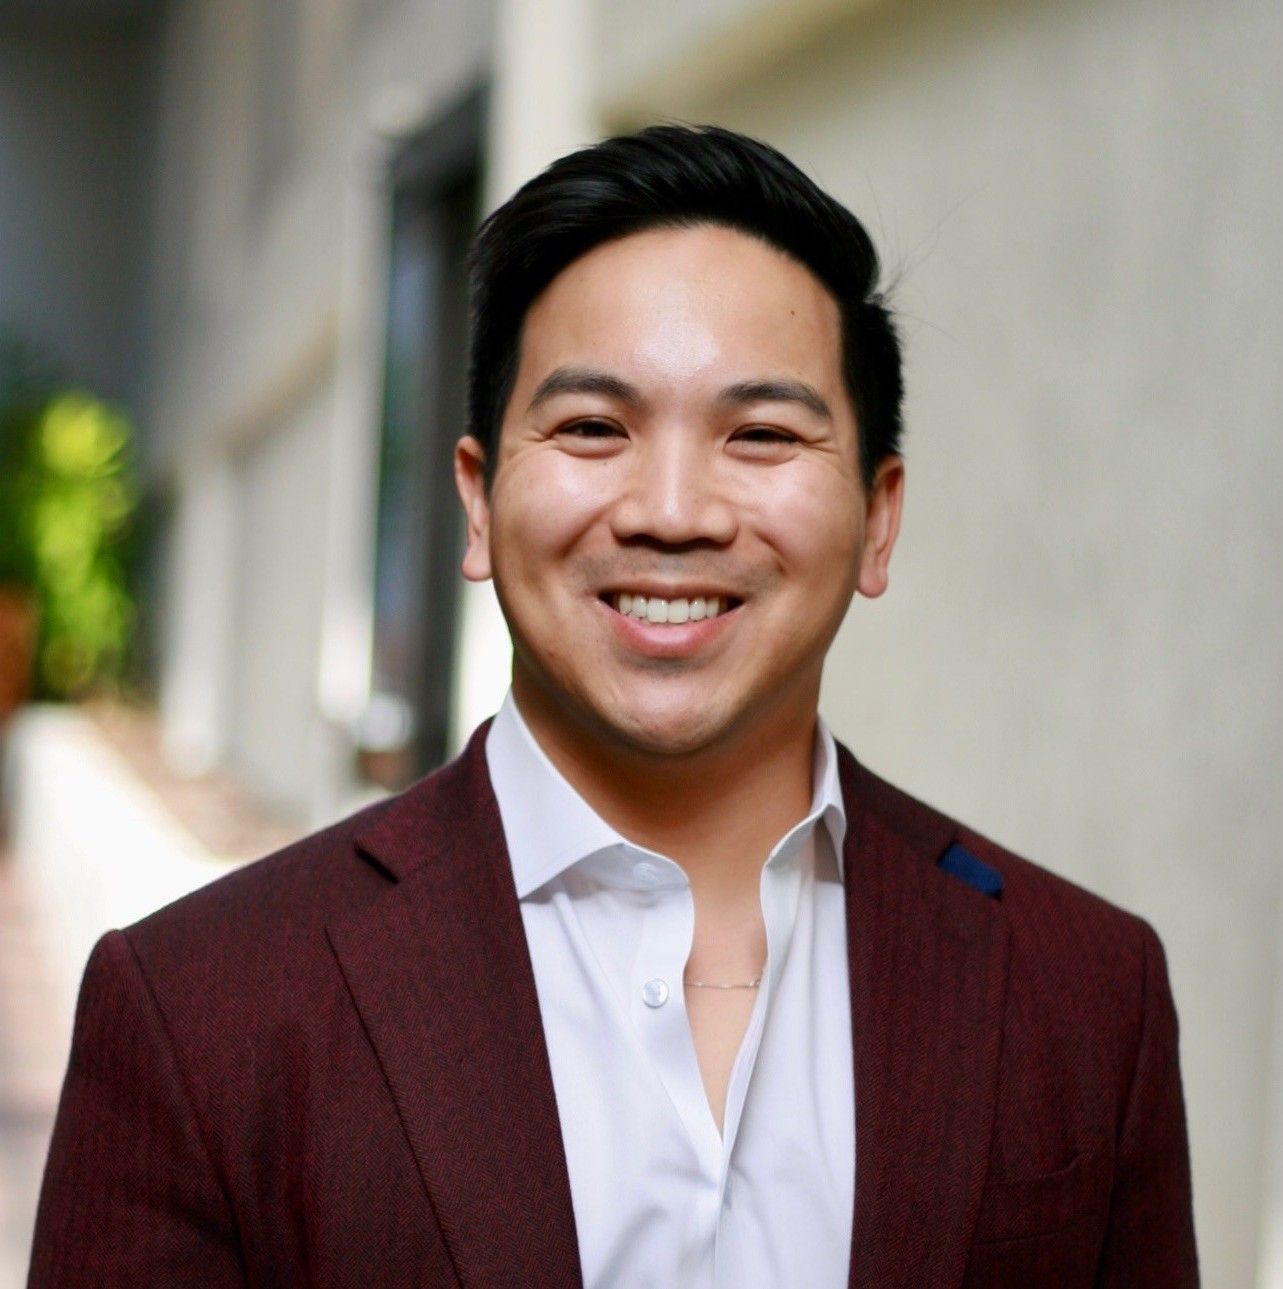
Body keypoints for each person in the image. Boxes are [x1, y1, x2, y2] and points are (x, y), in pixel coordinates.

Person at [29, 125, 1197, 1287]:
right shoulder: (202, 1008)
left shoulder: (1084, 992)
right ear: (479, 504)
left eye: (761, 434)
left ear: (877, 516)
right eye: (593, 427)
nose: (672, 510)